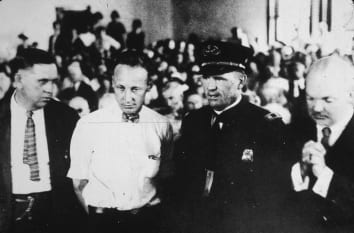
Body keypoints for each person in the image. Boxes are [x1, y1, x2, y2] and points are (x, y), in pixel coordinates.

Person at [175, 41, 288, 233]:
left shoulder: (266, 126)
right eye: (206, 77)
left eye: (219, 78)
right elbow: (182, 182)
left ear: (241, 82)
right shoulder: (193, 121)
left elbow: (273, 195)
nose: (210, 87)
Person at [67, 50, 174, 233]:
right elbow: (78, 184)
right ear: (113, 84)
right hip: (103, 222)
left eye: (135, 89)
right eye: (121, 88)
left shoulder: (161, 125)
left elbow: (165, 177)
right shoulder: (88, 124)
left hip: (146, 221)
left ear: (149, 86)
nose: (127, 98)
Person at [0, 48, 84, 233]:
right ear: (18, 80)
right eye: (42, 81)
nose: (50, 89)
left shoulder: (66, 117)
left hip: (55, 214)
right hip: (9, 216)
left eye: (53, 81)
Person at [289, 55, 354, 232]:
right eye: (310, 98)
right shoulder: (297, 127)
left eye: (327, 100)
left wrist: (326, 177)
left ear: (351, 95)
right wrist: (298, 173)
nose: (316, 108)